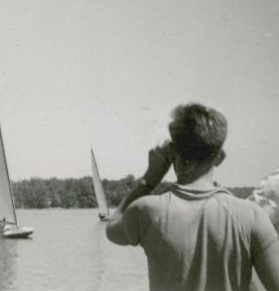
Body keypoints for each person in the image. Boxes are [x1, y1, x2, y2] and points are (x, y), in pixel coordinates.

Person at [106, 103, 279, 291]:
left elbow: (112, 227)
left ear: (172, 153)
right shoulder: (251, 216)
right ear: (220, 157)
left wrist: (151, 178)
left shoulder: (146, 211)